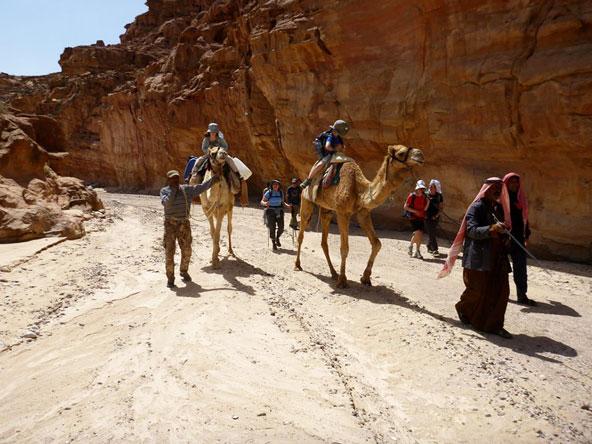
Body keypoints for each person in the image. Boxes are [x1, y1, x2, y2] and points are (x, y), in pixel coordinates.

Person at [438, 177, 513, 339]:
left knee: (501, 292)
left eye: (499, 187)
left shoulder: (498, 208)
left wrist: (506, 237)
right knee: (476, 291)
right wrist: (492, 228)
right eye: (494, 187)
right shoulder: (476, 207)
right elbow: (471, 230)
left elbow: (503, 230)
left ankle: (494, 325)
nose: (497, 190)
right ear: (486, 189)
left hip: (498, 258)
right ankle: (463, 308)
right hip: (479, 258)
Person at [160, 169, 219, 288]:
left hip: (184, 224)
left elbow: (202, 187)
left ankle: (184, 270)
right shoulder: (164, 191)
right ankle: (170, 278)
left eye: (177, 177)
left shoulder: (187, 189)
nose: (175, 180)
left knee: (187, 250)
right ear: (169, 180)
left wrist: (215, 178)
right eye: (173, 178)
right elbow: (167, 204)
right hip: (170, 225)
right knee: (169, 252)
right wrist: (173, 191)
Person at [504, 172, 536, 306]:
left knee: (521, 269)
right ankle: (501, 293)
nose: (514, 185)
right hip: (505, 239)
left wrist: (526, 234)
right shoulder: (501, 200)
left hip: (519, 239)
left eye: (516, 182)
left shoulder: (521, 199)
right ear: (506, 184)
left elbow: (524, 219)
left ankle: (522, 295)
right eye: (511, 182)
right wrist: (505, 236)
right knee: (502, 268)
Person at [300, 119, 349, 189]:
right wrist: (335, 150)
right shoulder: (330, 136)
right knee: (321, 164)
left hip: (338, 154)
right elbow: (327, 146)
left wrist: (342, 148)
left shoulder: (338, 137)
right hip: (329, 154)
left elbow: (342, 147)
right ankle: (308, 179)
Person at [261, 179, 292, 250]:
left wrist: (287, 206)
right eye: (274, 184)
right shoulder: (269, 192)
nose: (275, 185)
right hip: (270, 211)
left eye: (277, 184)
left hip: (279, 211)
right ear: (272, 185)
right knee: (272, 227)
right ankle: (273, 243)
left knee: (281, 227)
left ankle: (277, 237)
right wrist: (265, 203)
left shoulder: (280, 193)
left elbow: (282, 203)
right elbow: (262, 201)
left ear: (279, 186)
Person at [404, 180, 430, 259]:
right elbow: (406, 207)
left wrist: (428, 202)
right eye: (420, 188)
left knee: (419, 234)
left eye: (422, 189)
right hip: (413, 217)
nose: (421, 190)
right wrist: (415, 211)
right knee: (418, 232)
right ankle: (413, 248)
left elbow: (424, 209)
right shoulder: (412, 196)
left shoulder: (424, 198)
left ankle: (416, 250)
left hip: (421, 217)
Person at [425, 179, 444, 255]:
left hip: (435, 216)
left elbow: (441, 207)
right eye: (430, 186)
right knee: (431, 232)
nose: (430, 187)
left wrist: (436, 216)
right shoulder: (426, 195)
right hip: (427, 216)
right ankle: (435, 249)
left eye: (432, 186)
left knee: (432, 232)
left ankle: (429, 246)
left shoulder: (439, 196)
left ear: (436, 188)